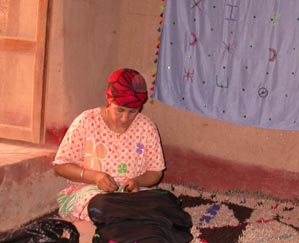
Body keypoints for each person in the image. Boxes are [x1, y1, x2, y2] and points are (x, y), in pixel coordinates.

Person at [52, 68, 166, 221]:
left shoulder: (146, 127)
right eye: (120, 110)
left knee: (164, 202)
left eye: (132, 111)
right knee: (103, 206)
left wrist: (137, 181)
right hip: (90, 192)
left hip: (131, 195)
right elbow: (60, 166)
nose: (125, 118)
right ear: (109, 100)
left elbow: (155, 172)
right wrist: (95, 177)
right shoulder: (86, 121)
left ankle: (129, 217)